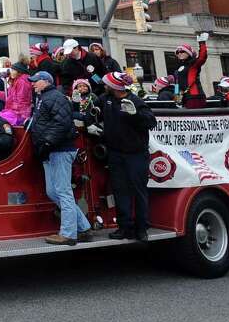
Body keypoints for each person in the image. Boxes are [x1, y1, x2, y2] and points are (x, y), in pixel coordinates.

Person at [27, 71, 90, 246]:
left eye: (35, 81)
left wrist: (47, 142)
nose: (33, 84)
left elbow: (62, 124)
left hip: (59, 150)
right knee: (53, 192)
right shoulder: (45, 98)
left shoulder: (54, 97)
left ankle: (69, 234)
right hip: (52, 150)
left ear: (46, 82)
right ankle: (83, 227)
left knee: (63, 192)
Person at [93, 71, 156, 241]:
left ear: (115, 86)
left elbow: (151, 122)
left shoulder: (135, 101)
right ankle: (124, 227)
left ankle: (142, 228)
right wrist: (91, 115)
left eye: (107, 83)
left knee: (138, 190)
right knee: (120, 191)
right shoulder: (106, 98)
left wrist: (135, 114)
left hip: (135, 154)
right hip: (115, 153)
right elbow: (92, 109)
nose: (104, 85)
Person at [172, 33, 210, 108]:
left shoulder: (193, 64)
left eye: (182, 51)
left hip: (196, 97)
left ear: (188, 53)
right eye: (177, 52)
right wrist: (176, 98)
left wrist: (202, 43)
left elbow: (202, 57)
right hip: (185, 98)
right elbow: (176, 84)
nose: (179, 53)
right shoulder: (178, 68)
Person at [2, 62, 34, 126]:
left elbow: (22, 101)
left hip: (20, 114)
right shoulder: (16, 81)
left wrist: (11, 111)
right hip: (15, 111)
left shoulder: (22, 82)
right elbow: (9, 96)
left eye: (13, 70)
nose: (11, 72)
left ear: (19, 71)